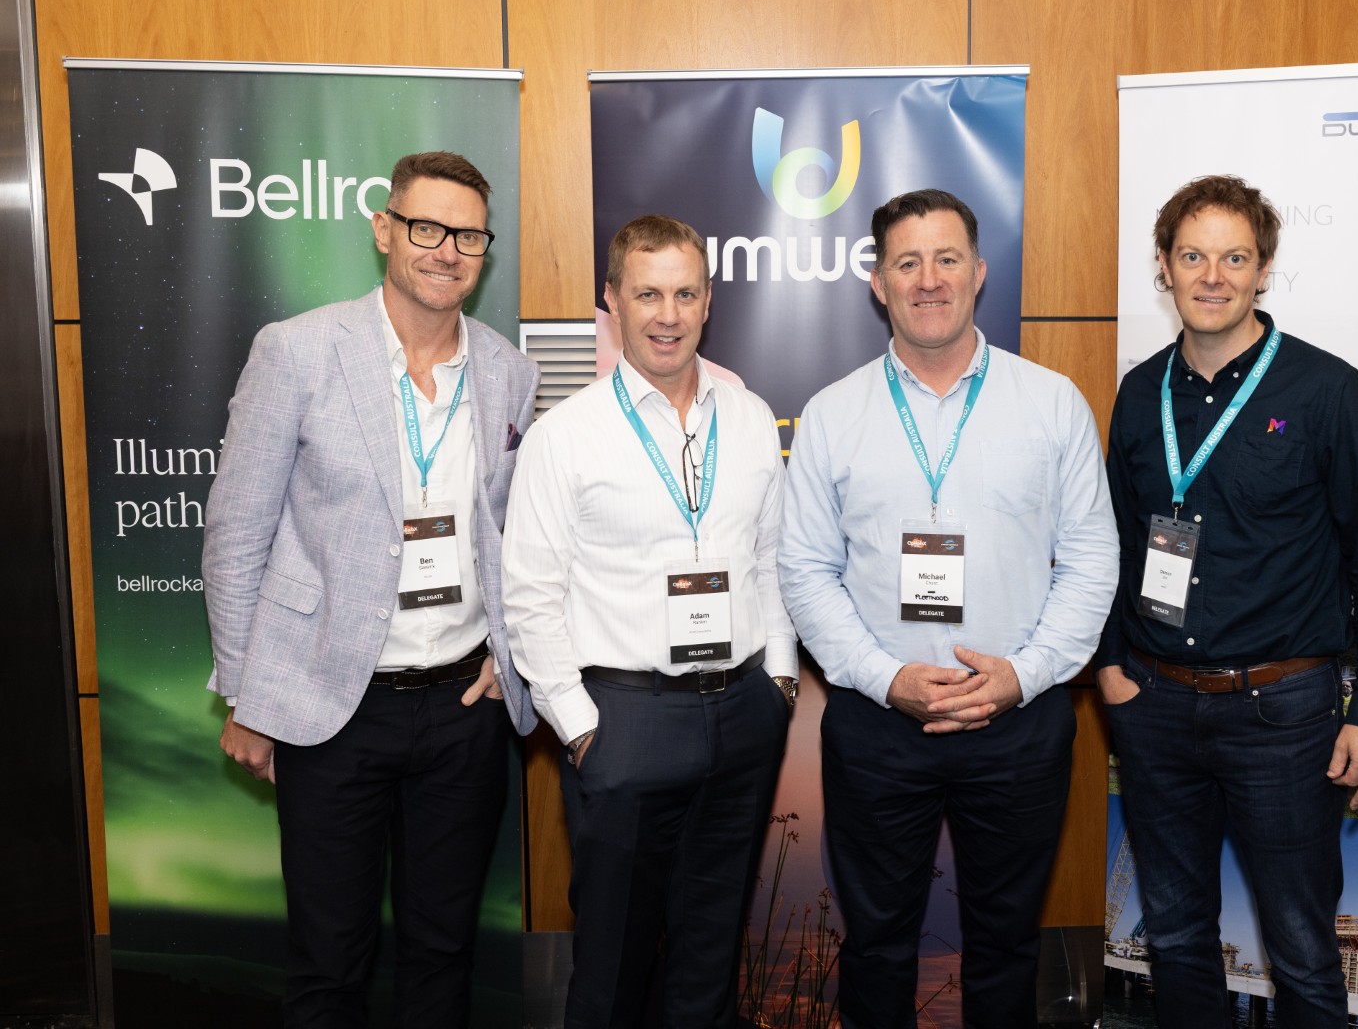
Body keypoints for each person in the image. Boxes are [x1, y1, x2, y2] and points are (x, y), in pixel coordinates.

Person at [201, 151, 540, 1027]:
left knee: (443, 951)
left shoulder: (508, 370)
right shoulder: (297, 351)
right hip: (330, 705)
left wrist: (508, 656)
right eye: (426, 228)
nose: (446, 250)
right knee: (330, 961)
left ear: (485, 250)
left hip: (463, 708)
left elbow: (513, 532)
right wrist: (246, 694)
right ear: (385, 230)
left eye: (468, 236)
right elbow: (236, 532)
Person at [779, 189, 1119, 1028]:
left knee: (1005, 945)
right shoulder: (832, 414)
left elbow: (1090, 561)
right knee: (875, 946)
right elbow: (805, 571)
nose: (927, 279)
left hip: (1018, 723)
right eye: (907, 262)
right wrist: (884, 678)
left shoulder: (1051, 403)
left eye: (945, 259)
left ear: (979, 272)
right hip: (877, 725)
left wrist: (1024, 676)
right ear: (877, 282)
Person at [1096, 174, 1358, 1028]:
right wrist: (1110, 668)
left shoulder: (1324, 389)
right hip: (1154, 707)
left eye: (1233, 258)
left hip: (1282, 714)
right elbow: (1112, 544)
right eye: (1192, 256)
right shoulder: (1138, 392)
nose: (1212, 276)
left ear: (1263, 270)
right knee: (1173, 935)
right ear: (1163, 265)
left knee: (1302, 950)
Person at [502, 214, 796, 1028]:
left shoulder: (748, 415)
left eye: (685, 294)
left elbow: (770, 559)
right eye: (647, 294)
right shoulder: (565, 435)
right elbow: (529, 594)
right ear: (611, 300)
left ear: (708, 301)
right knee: (612, 969)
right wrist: (579, 727)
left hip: (742, 713)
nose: (668, 315)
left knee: (710, 959)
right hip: (624, 720)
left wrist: (778, 680)